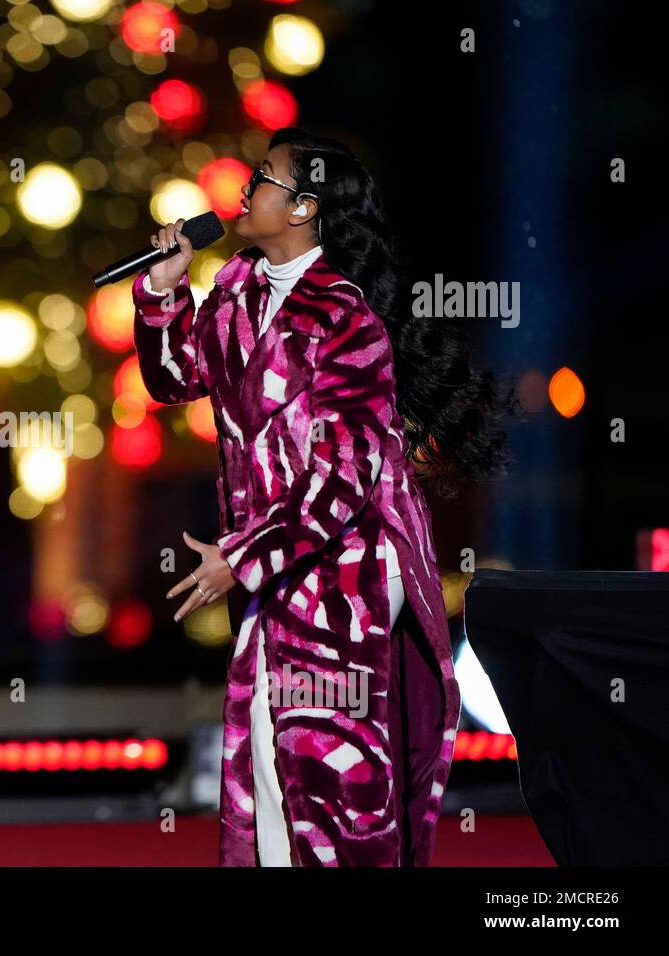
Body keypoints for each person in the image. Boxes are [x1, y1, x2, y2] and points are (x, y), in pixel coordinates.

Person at [134, 128, 512, 866]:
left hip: (349, 567)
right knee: (271, 769)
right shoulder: (238, 290)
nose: (246, 190)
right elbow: (174, 376)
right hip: (278, 560)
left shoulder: (344, 318)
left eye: (264, 178)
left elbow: (345, 477)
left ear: (305, 207)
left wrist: (241, 559)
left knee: (331, 766)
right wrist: (161, 288)